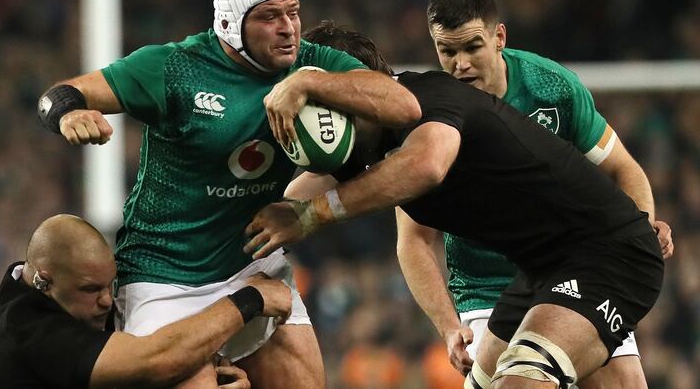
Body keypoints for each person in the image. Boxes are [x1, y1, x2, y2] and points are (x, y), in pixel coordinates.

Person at [35, 0, 420, 388]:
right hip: (164, 278)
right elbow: (60, 95)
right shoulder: (175, 67)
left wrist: (307, 84)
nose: (288, 28)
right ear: (230, 23)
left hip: (253, 266)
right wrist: (70, 115)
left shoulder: (312, 63)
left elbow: (404, 106)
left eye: (293, 13)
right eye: (269, 17)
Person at [244, 24, 664, 388]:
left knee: (524, 379)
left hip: (607, 252)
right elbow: (284, 206)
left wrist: (313, 216)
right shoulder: (363, 148)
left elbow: (426, 165)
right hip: (543, 269)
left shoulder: (430, 98)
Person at [405, 0, 672, 388]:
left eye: (472, 47)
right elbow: (413, 240)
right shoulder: (427, 116)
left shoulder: (551, 88)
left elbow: (624, 169)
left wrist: (640, 228)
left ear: (499, 37)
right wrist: (447, 325)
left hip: (575, 263)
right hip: (487, 288)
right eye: (448, 51)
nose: (460, 64)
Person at [0, 214, 292, 388]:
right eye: (91, 289)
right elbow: (157, 359)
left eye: (109, 285)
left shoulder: (35, 285)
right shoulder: (30, 332)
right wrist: (248, 300)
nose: (107, 300)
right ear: (45, 280)